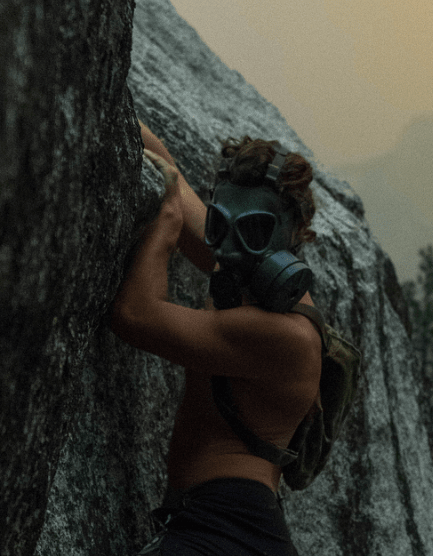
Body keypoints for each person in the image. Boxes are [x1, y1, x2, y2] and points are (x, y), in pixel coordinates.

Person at [110, 122, 323, 555]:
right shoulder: (242, 257)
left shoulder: (289, 336)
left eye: (257, 229)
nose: (228, 249)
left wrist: (168, 218)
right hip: (207, 523)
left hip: (234, 531)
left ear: (297, 231)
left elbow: (135, 314)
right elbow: (168, 166)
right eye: (220, 223)